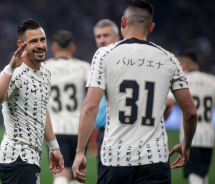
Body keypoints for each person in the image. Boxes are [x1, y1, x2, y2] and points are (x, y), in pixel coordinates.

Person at [72, 1, 197, 184]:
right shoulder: (169, 59)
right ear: (151, 27)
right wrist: (186, 144)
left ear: (123, 22)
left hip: (115, 157)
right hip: (155, 158)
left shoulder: (104, 55)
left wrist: (80, 152)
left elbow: (90, 106)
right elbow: (190, 112)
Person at [0, 19, 64, 184]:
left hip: (29, 159)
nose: (40, 45)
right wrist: (10, 67)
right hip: (17, 158)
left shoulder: (45, 72)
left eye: (42, 39)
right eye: (33, 41)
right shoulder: (15, 72)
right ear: (21, 44)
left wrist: (54, 147)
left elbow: (41, 109)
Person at [46, 30, 90, 184]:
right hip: (79, 129)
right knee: (77, 175)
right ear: (72, 48)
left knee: (60, 173)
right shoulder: (84, 67)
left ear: (53, 47)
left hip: (55, 129)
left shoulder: (45, 68)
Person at [170, 49, 214, 184]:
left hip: (191, 135)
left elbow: (168, 102)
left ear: (184, 64)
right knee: (203, 175)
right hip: (209, 136)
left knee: (194, 175)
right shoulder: (211, 80)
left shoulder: (182, 80)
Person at [93, 19, 120, 172]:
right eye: (98, 37)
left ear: (117, 37)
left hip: (120, 129)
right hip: (104, 132)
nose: (102, 40)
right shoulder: (99, 60)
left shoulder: (123, 60)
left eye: (106, 35)